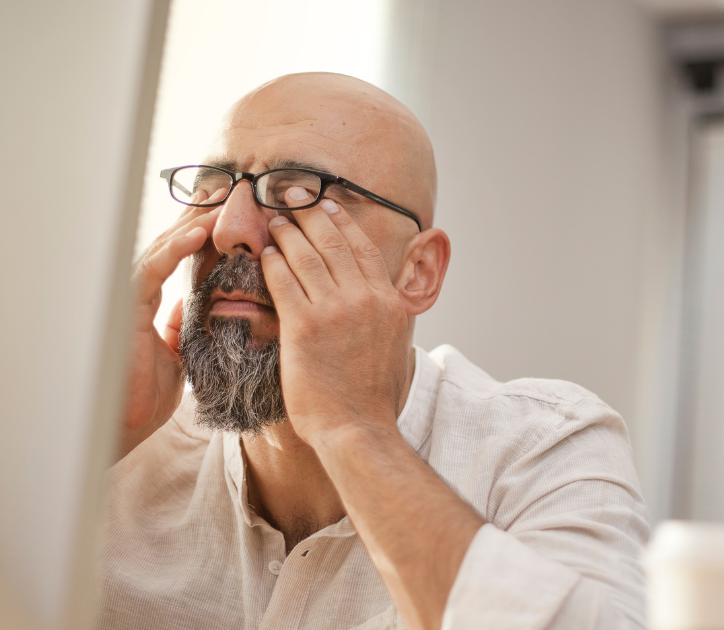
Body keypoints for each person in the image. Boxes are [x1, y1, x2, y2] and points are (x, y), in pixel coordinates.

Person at [98, 72, 649, 630]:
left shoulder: (544, 448)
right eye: (214, 189)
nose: (229, 230)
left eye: (299, 192)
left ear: (418, 271)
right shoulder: (125, 434)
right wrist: (98, 440)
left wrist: (354, 428)